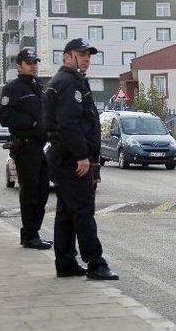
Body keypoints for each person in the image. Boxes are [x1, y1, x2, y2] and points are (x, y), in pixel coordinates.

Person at [44, 38, 118, 280]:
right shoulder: (68, 84)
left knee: (67, 211)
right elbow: (69, 124)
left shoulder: (71, 81)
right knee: (84, 210)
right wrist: (82, 156)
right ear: (67, 57)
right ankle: (95, 263)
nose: (86, 58)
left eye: (89, 54)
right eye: (81, 53)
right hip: (71, 159)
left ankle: (65, 262)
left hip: (65, 157)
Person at [0, 48, 52, 250]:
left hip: (39, 146)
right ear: (19, 66)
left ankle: (33, 232)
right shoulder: (13, 88)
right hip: (25, 145)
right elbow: (5, 117)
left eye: (35, 62)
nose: (34, 66)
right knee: (30, 192)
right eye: (29, 63)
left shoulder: (37, 86)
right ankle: (29, 235)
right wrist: (33, 124)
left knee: (43, 191)